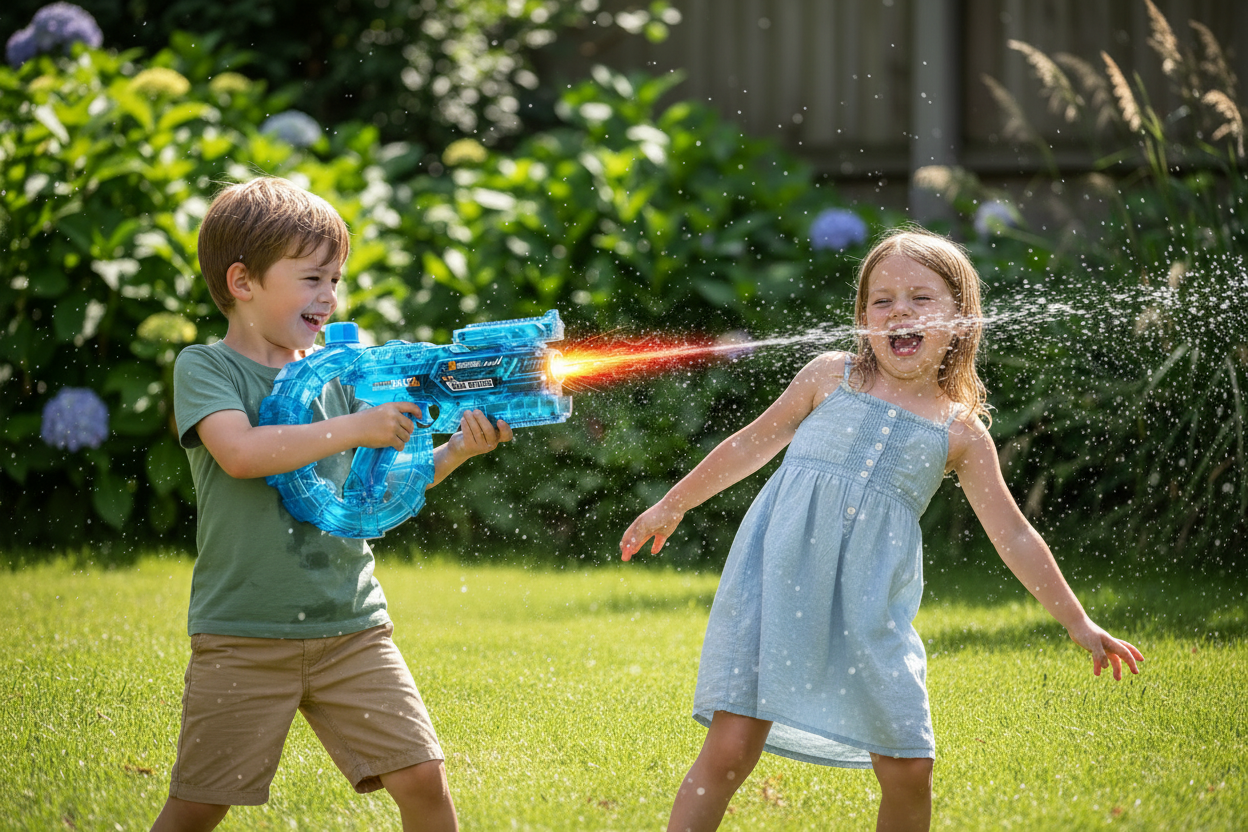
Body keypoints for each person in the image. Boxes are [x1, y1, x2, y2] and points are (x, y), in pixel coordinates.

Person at [620, 227, 1143, 832]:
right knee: (732, 750)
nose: (900, 311)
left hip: (870, 608)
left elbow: (1015, 534)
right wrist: (671, 505)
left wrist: (1077, 621)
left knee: (908, 766)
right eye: (882, 300)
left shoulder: (961, 433)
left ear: (960, 319)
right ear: (864, 316)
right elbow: (749, 446)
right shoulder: (829, 376)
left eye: (921, 299)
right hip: (779, 585)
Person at [155, 177, 511, 832]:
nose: (329, 296)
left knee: (422, 779)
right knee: (199, 805)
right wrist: (356, 428)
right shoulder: (208, 368)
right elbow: (240, 453)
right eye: (313, 279)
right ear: (243, 282)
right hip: (245, 632)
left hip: (351, 625)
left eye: (335, 280)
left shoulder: (343, 376)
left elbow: (381, 486)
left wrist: (457, 450)